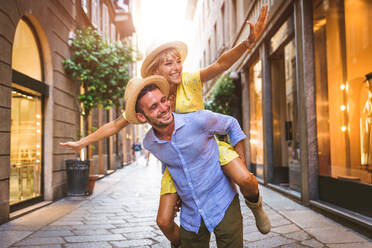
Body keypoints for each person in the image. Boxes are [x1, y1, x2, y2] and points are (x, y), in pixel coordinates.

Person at [60, 5, 270, 247]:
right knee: (164, 220)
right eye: (169, 64)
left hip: (206, 146)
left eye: (178, 61)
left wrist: (247, 44)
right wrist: (82, 142)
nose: (177, 68)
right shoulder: (151, 97)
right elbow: (114, 125)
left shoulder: (189, 80)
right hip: (176, 161)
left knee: (245, 179)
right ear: (155, 70)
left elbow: (220, 65)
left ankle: (256, 207)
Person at [126, 75, 246, 247]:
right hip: (191, 215)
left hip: (222, 201)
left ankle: (255, 203)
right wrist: (173, 197)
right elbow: (168, 164)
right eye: (153, 107)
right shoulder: (149, 143)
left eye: (163, 100)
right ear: (142, 117)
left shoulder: (198, 120)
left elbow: (232, 124)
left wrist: (241, 163)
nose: (163, 108)